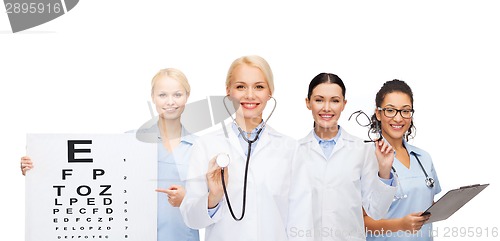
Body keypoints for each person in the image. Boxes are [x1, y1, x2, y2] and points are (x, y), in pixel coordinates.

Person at [20, 68, 200, 241]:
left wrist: (188, 199)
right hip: (134, 234)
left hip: (181, 236)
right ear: (153, 97)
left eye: (177, 94)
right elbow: (89, 173)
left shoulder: (200, 147)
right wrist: (39, 166)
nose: (170, 101)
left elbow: (213, 201)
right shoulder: (129, 142)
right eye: (163, 95)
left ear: (187, 97)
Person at [179, 55, 313, 241]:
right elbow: (191, 219)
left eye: (259, 86)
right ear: (228, 91)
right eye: (240, 86)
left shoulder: (290, 149)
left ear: (270, 92)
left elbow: (301, 220)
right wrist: (214, 197)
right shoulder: (206, 145)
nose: (250, 95)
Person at [297, 73, 397, 241]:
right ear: (308, 103)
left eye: (335, 101)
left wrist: (385, 170)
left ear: (344, 104)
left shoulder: (361, 150)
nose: (327, 108)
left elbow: (376, 211)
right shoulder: (294, 152)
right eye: (319, 100)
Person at [364, 79, 441, 241]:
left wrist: (450, 205)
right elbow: (360, 220)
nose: (398, 118)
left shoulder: (424, 158)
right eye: (390, 110)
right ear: (378, 114)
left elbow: (427, 204)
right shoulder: (365, 158)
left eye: (405, 111)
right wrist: (400, 224)